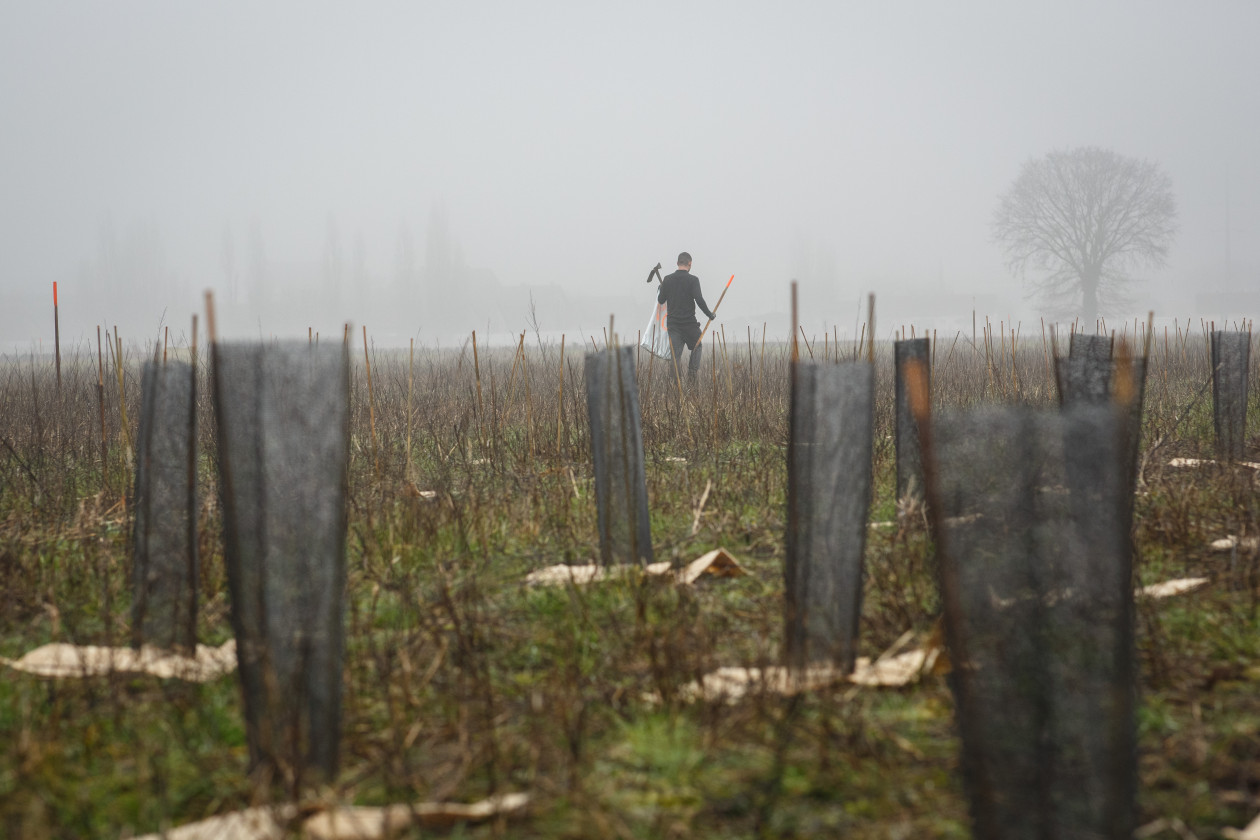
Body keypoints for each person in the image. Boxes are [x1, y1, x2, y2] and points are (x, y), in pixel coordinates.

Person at [657, 252, 714, 383]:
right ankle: (692, 379)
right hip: (689, 324)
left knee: (675, 356)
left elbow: (661, 300)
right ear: (690, 263)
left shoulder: (667, 279)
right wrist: (710, 315)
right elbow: (699, 300)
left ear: (677, 263)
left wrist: (661, 288)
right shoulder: (693, 280)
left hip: (673, 326)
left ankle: (676, 388)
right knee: (697, 346)